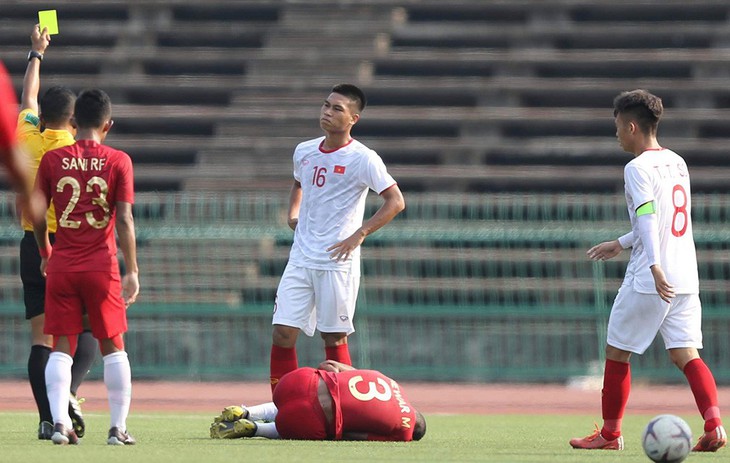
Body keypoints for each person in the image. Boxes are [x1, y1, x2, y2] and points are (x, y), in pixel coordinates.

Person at [569, 89, 726, 453]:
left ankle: (609, 435)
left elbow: (648, 216)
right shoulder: (677, 162)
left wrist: (653, 266)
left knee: (616, 350)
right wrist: (621, 243)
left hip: (652, 277)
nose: (618, 135)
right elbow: (664, 221)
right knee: (686, 353)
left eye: (619, 128)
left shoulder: (636, 168)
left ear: (633, 126)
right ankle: (715, 425)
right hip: (686, 274)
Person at [270, 84, 405, 394]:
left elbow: (395, 201)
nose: (327, 113)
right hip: (301, 258)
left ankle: (341, 403)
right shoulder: (304, 150)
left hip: (336, 263)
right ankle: (284, 405)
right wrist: (293, 214)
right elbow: (298, 184)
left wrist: (360, 233)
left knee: (333, 338)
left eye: (337, 109)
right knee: (282, 334)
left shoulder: (363, 158)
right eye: (326, 105)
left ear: (353, 118)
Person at [33, 88, 139, 446]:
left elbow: (36, 212)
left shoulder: (53, 160)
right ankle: (117, 428)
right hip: (100, 265)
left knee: (62, 345)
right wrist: (133, 270)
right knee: (113, 345)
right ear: (108, 124)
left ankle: (60, 425)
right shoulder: (118, 160)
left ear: (74, 122)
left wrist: (46, 251)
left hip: (62, 263)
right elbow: (123, 219)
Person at [17, 24, 98, 440]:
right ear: (73, 119)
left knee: (41, 337)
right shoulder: (74, 150)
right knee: (87, 330)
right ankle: (66, 395)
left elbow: (28, 97)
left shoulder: (25, 135)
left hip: (32, 246)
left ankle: (48, 418)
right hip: (70, 246)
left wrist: (36, 53)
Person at [210, 360, 426, 441]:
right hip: (305, 419)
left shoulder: (389, 381)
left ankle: (248, 411)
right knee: (324, 424)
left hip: (295, 381)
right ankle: (255, 429)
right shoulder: (404, 430)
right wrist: (337, 433)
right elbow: (356, 435)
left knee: (301, 395)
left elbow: (329, 365)